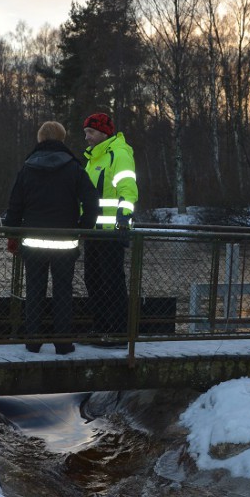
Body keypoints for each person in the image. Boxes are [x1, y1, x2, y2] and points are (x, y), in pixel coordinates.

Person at [5, 120, 98, 355]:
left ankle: (33, 340)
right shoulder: (74, 168)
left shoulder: (27, 167)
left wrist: (11, 234)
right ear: (62, 139)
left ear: (40, 139)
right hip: (65, 241)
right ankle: (63, 343)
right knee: (63, 291)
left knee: (35, 290)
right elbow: (91, 202)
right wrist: (83, 228)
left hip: (33, 241)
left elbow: (14, 205)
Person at [82, 112, 138, 343]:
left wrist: (123, 218)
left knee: (111, 281)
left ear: (104, 133)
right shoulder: (93, 158)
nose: (86, 137)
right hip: (93, 231)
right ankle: (101, 328)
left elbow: (128, 189)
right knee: (93, 280)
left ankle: (117, 331)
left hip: (112, 232)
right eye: (86, 132)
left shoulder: (119, 154)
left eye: (90, 132)